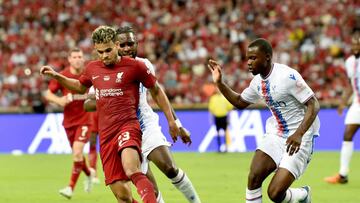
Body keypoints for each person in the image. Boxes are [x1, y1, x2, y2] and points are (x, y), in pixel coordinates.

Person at [40, 25, 180, 203]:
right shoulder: (92, 68)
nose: (105, 55)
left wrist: (172, 121)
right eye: (100, 52)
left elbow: (156, 91)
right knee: (122, 195)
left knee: (132, 170)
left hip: (128, 126)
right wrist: (57, 76)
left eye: (108, 50)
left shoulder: (136, 66)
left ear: (116, 45)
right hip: (106, 135)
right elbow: (79, 86)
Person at [84, 25, 201, 203]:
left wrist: (175, 124)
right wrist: (108, 99)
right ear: (116, 45)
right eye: (122, 45)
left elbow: (157, 93)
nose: (126, 48)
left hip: (145, 125)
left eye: (130, 43)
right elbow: (88, 102)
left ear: (137, 43)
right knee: (149, 188)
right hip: (119, 130)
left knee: (169, 167)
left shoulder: (142, 65)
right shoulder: (103, 69)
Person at [208, 38, 320, 203]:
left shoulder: (287, 76)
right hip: (276, 134)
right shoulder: (257, 82)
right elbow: (239, 102)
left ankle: (302, 195)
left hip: (299, 138)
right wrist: (219, 83)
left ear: (267, 57)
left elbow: (314, 104)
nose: (249, 63)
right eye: (248, 58)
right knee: (254, 177)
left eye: (253, 58)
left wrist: (299, 134)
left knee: (274, 194)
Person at [43, 48, 95, 199]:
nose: (78, 59)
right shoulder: (64, 75)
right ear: (70, 59)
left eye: (80, 56)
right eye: (75, 57)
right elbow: (48, 94)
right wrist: (59, 101)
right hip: (69, 122)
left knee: (78, 152)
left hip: (86, 120)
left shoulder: (89, 73)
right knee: (77, 156)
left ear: (83, 59)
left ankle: (70, 188)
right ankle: (89, 172)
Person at [324, 32, 360, 184]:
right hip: (357, 104)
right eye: (353, 44)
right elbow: (351, 84)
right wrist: (343, 102)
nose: (355, 47)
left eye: (358, 44)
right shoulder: (350, 61)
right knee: (347, 135)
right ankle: (343, 175)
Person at [208, 88, 233, 152]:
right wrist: (211, 118)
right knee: (218, 133)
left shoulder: (225, 98)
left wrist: (229, 118)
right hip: (217, 117)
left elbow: (229, 109)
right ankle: (219, 147)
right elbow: (211, 110)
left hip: (224, 116)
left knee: (225, 133)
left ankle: (226, 147)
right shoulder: (213, 98)